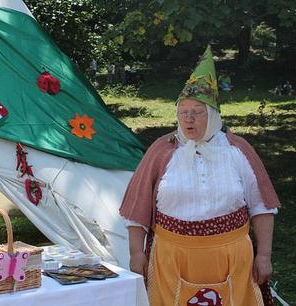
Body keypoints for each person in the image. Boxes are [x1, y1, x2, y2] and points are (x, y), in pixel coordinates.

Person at [119, 46, 280, 306]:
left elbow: (261, 207)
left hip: (232, 261)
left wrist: (264, 255)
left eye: (198, 112)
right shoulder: (162, 150)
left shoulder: (237, 150)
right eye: (183, 112)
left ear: (213, 116)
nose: (189, 119)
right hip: (171, 260)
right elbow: (137, 209)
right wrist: (136, 253)